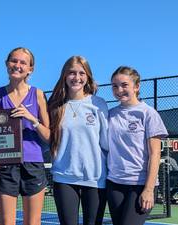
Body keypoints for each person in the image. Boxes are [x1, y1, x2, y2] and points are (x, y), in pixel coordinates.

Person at [0, 47, 50, 225]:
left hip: (33, 165)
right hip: (6, 165)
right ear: (7, 64)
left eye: (23, 62)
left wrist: (31, 118)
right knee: (6, 222)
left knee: (32, 222)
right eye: (14, 61)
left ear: (30, 69)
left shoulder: (37, 94)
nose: (17, 65)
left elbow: (49, 136)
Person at [47, 56, 108, 225]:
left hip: (95, 179)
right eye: (72, 73)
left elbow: (106, 143)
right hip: (64, 178)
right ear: (64, 76)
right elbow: (48, 137)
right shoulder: (54, 105)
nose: (77, 77)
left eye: (82, 73)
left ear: (87, 77)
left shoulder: (98, 104)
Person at [107, 66, 168, 225]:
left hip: (140, 185)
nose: (119, 89)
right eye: (115, 86)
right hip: (115, 184)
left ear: (136, 86)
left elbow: (155, 154)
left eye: (124, 85)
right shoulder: (110, 114)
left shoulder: (148, 113)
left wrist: (148, 190)